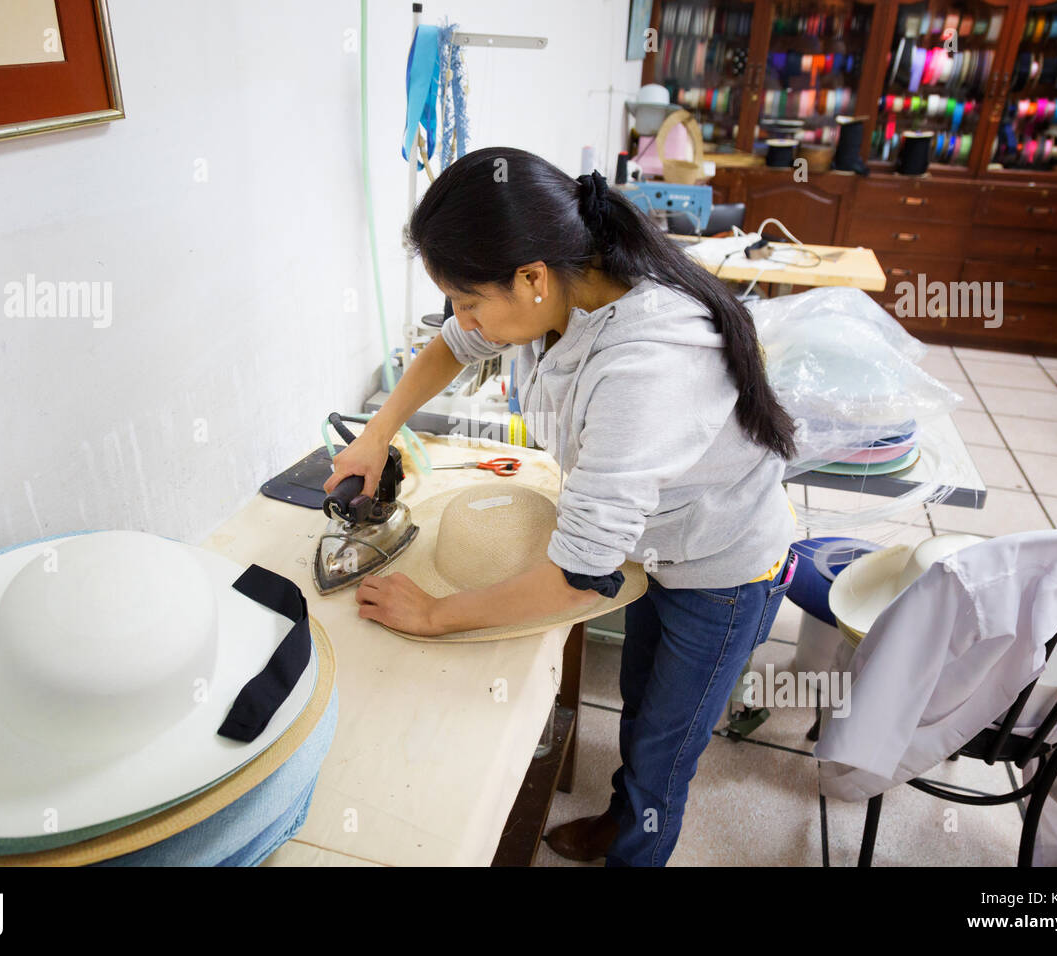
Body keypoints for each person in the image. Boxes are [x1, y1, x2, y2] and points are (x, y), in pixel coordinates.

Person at [323, 146, 798, 865]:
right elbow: (451, 348)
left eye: (469, 299)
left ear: (532, 278)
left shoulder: (646, 366)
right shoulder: (569, 288)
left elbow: (577, 577)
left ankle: (634, 838)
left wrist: (433, 615)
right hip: (658, 546)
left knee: (666, 756)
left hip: (724, 570)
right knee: (640, 704)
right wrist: (375, 437)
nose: (463, 318)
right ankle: (619, 815)